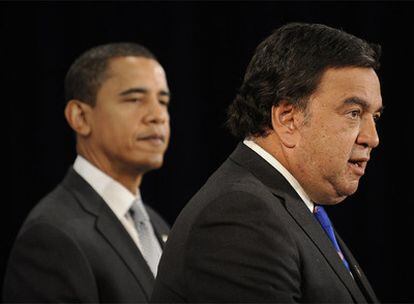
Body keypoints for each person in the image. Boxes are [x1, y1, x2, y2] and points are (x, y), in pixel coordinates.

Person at [151, 23, 383, 303]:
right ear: (287, 118)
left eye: (375, 117)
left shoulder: (289, 207)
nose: (372, 138)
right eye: (353, 113)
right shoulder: (241, 217)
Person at [3, 42, 171, 303]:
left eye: (163, 101)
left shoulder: (156, 225)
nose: (157, 115)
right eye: (135, 99)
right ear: (79, 117)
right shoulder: (52, 235)